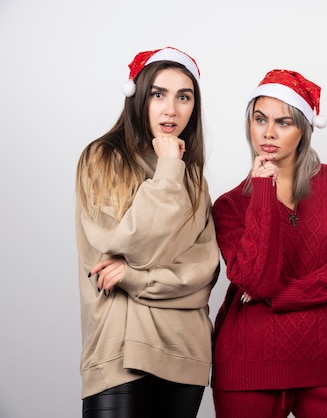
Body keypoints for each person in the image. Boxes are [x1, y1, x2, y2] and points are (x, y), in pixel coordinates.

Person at [210, 69, 327, 417]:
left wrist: (283, 295)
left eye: (283, 123)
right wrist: (262, 191)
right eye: (260, 119)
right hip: (249, 365)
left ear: (304, 129)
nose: (268, 133)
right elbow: (255, 281)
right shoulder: (229, 206)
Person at [75, 46, 220, 418]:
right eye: (158, 94)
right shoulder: (102, 159)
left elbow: (203, 272)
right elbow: (123, 246)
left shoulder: (192, 178)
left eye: (183, 97)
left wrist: (135, 279)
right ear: (138, 97)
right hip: (119, 353)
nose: (171, 109)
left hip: (186, 353)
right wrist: (169, 169)